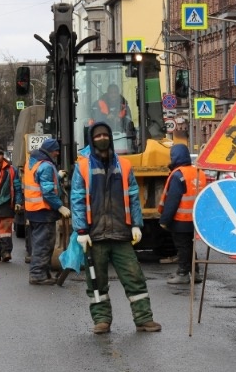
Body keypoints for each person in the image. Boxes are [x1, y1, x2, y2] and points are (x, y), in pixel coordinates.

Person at [71, 121, 161, 334]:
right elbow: (77, 198)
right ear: (91, 140)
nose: (101, 139)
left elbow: (133, 196)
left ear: (110, 137)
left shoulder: (124, 165)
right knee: (96, 282)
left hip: (121, 234)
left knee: (134, 277)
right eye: (97, 136)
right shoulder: (82, 167)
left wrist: (137, 225)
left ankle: (144, 319)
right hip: (95, 235)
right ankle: (101, 320)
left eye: (105, 135)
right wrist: (81, 230)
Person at [24, 138, 69, 286]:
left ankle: (43, 273)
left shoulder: (32, 163)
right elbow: (48, 192)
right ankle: (38, 275)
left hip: (33, 210)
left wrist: (57, 176)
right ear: (51, 151)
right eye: (56, 150)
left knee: (39, 243)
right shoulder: (46, 166)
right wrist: (60, 207)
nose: (57, 153)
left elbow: (40, 181)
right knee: (43, 245)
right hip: (43, 211)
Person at [159, 144, 206, 284]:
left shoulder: (178, 175)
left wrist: (164, 220)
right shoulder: (198, 172)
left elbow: (172, 199)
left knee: (182, 246)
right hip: (196, 218)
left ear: (174, 157)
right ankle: (194, 271)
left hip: (181, 219)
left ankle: (183, 273)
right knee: (189, 245)